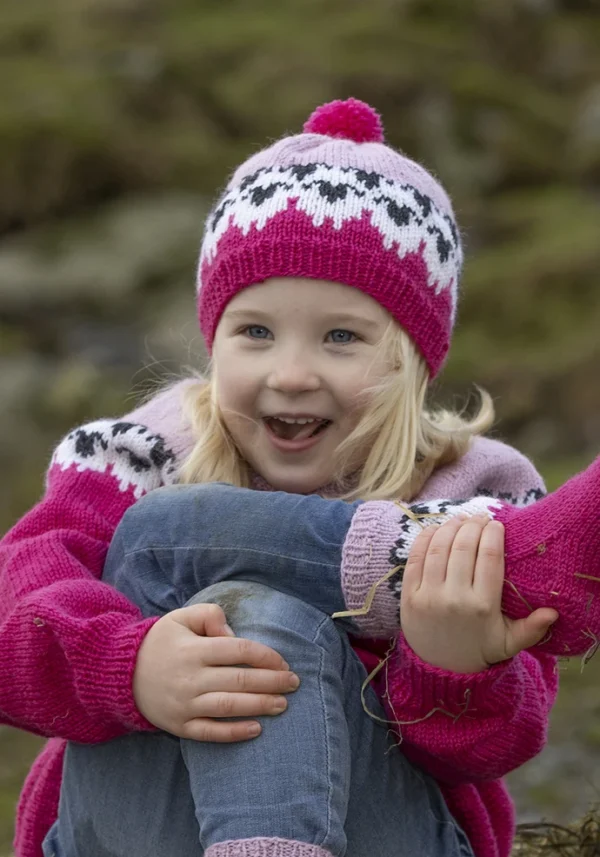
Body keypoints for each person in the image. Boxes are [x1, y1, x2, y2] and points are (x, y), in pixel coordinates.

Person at [1, 97, 599, 857]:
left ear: (414, 361)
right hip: (134, 831)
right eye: (254, 331)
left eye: (342, 336)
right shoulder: (136, 459)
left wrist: (450, 663)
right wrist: (130, 666)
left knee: (258, 614)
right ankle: (481, 565)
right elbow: (12, 618)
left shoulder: (469, 489)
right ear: (212, 339)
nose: (289, 374)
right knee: (164, 531)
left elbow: (493, 748)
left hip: (380, 834)